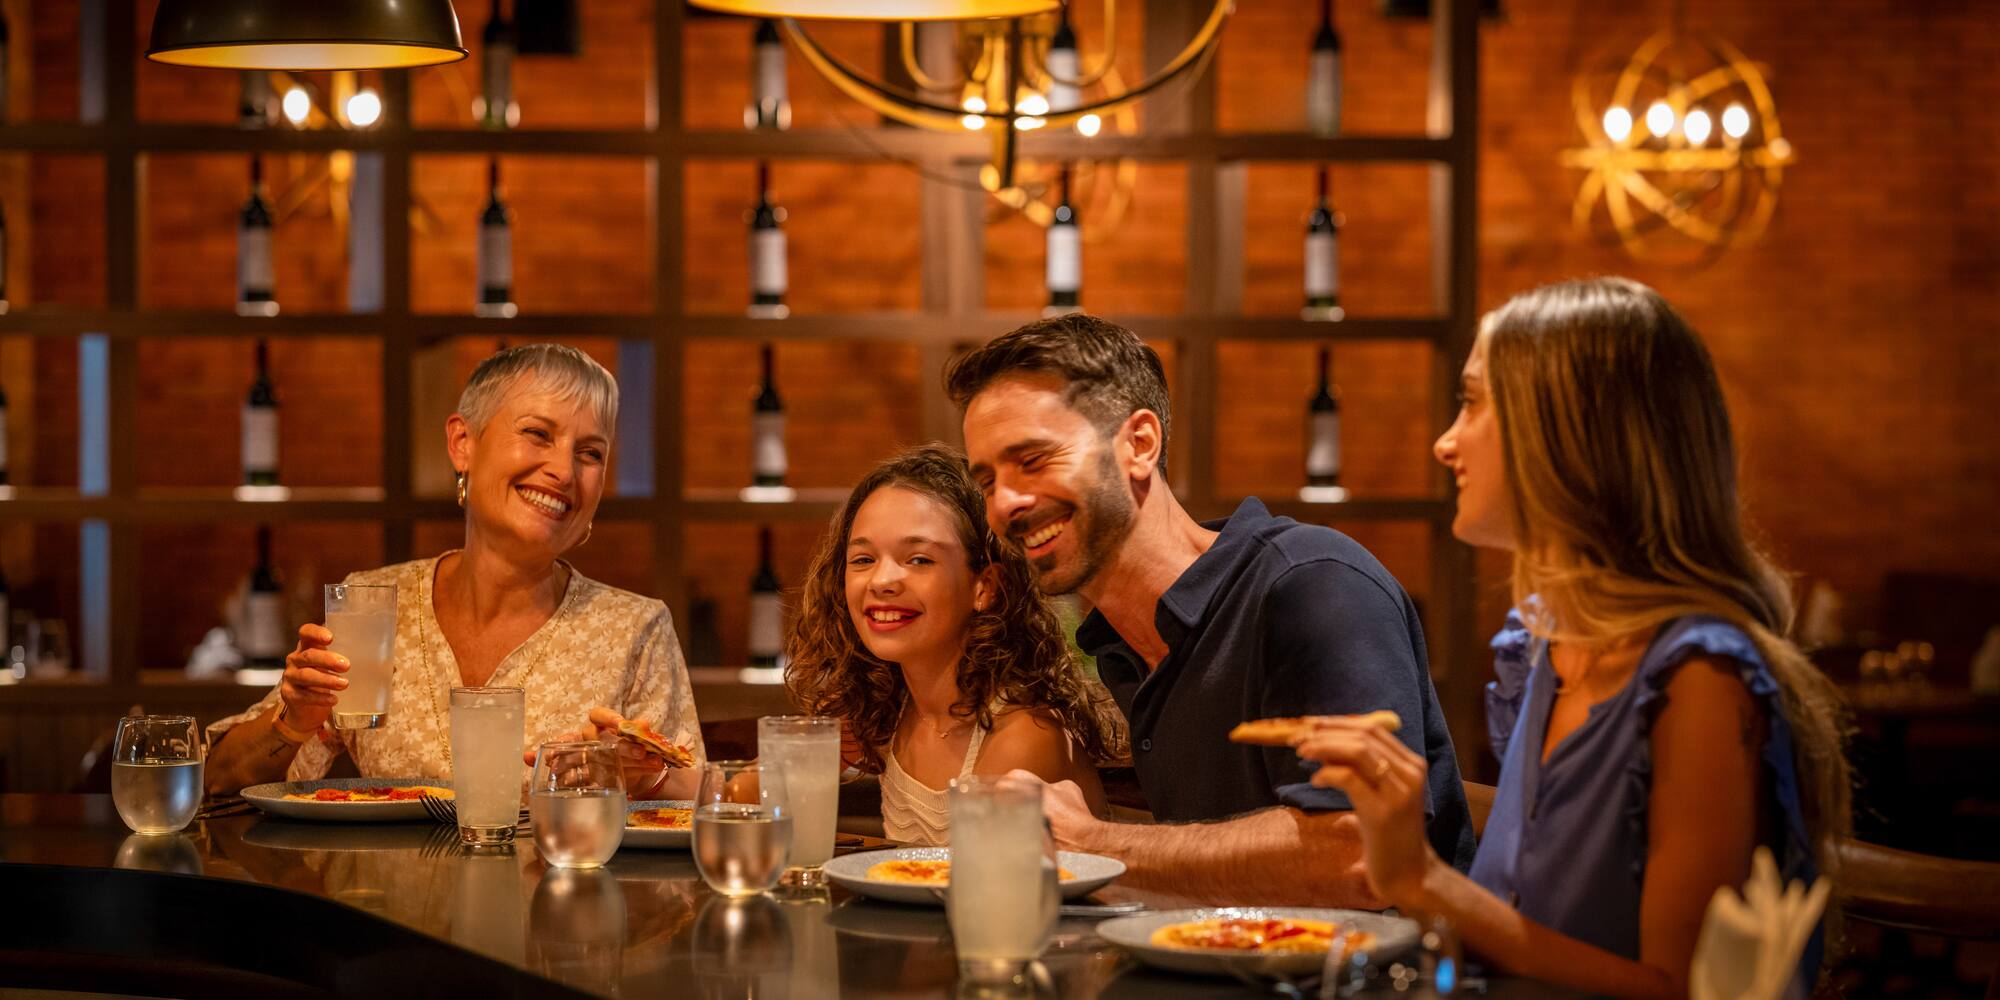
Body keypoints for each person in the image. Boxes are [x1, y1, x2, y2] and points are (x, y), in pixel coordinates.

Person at [1297, 277, 1851, 997]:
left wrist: (1423, 880)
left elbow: (1676, 988)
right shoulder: (1543, 644)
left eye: (1470, 402)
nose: (1444, 443)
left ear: (1567, 432)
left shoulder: (1700, 679)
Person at [945, 314, 1475, 906]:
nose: (1005, 504)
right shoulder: (1121, 646)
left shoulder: (1310, 582)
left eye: (1035, 460)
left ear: (1139, 445)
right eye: (987, 481)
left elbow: (1355, 857)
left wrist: (1091, 842)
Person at [207, 344, 704, 799]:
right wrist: (293, 724)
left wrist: (644, 776)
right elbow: (220, 784)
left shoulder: (635, 628)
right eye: (537, 434)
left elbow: (698, 805)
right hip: (378, 900)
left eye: (590, 453)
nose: (564, 471)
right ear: (463, 442)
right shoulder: (374, 604)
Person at [785, 443, 1120, 844]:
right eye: (862, 560)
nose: (882, 581)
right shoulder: (887, 709)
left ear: (986, 587)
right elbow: (756, 797)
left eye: (919, 560)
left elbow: (974, 889)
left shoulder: (1023, 735)